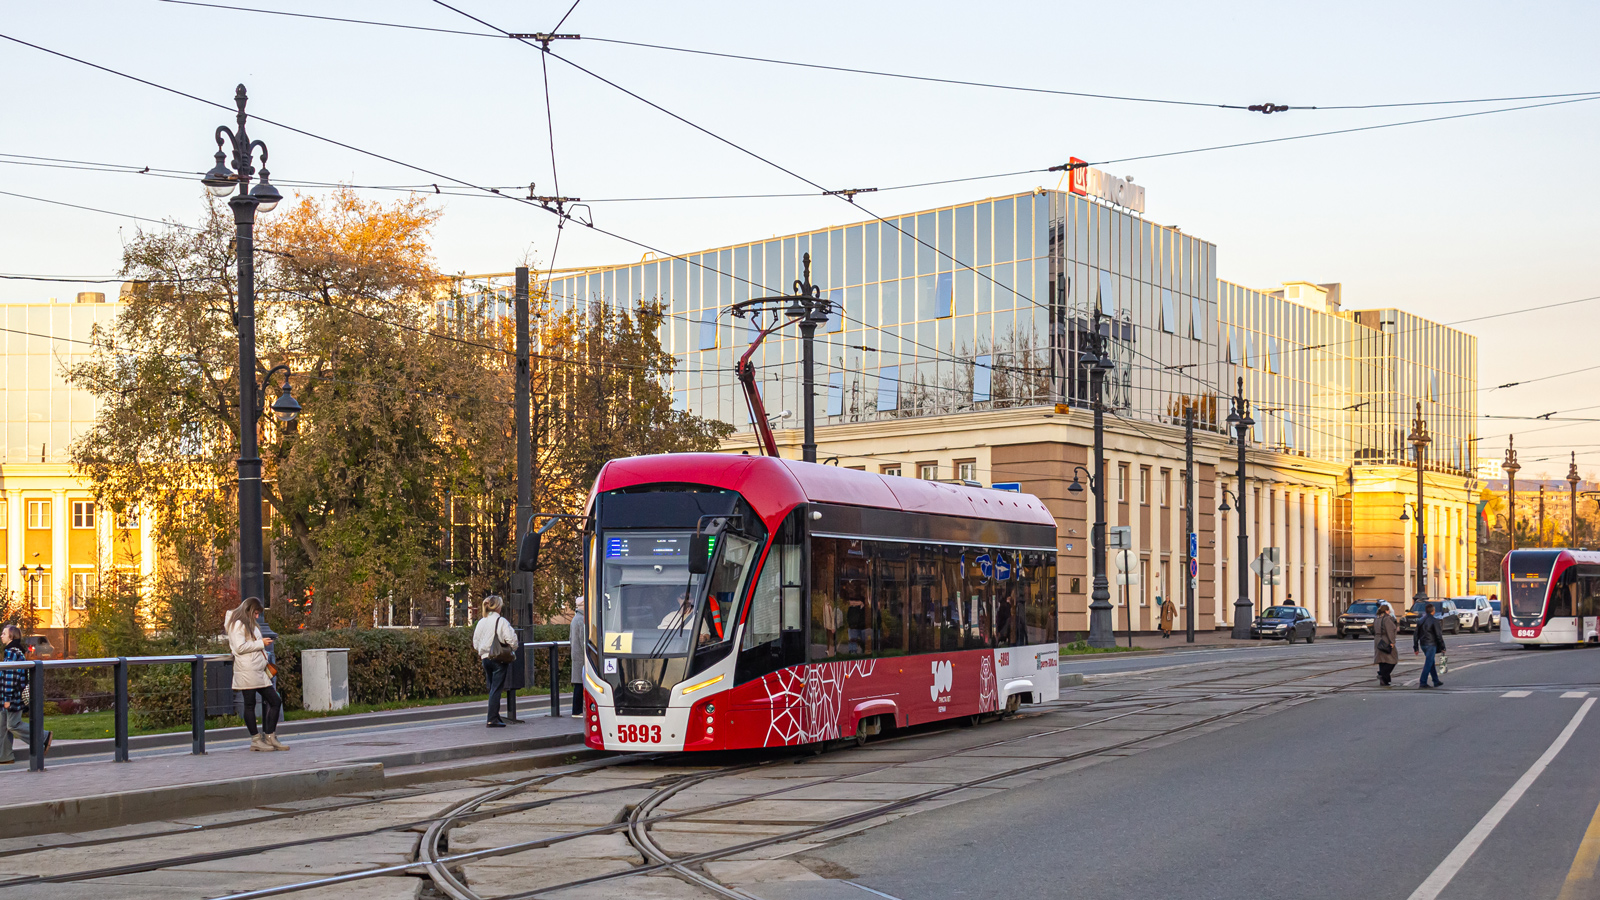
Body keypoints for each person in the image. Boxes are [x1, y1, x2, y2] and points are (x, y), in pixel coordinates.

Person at [226, 597, 286, 751]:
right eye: (256, 613)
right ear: (249, 611)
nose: (257, 616)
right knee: (253, 703)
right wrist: (261, 643)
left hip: (256, 668)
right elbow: (239, 647)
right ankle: (259, 739)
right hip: (248, 669)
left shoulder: (246, 623)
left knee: (271, 701)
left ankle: (267, 736)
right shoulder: (238, 624)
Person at [0, 624, 50, 764]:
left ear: (11, 636)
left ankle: (43, 737)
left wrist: (7, 699)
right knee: (3, 727)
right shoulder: (15, 651)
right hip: (8, 695)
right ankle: (5, 757)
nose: (1, 636)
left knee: (12, 725)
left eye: (4, 633)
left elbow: (10, 678)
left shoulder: (12, 652)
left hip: (11, 697)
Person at [473, 595, 518, 727]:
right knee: (496, 689)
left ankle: (495, 716)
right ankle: (492, 718)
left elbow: (475, 642)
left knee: (492, 687)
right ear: (498, 606)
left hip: (485, 658)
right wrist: (513, 648)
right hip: (498, 658)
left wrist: (482, 651)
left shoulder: (482, 621)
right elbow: (512, 639)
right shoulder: (501, 621)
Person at [1413, 601, 1446, 688]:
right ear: (1433, 611)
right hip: (1431, 644)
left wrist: (1416, 647)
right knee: (1428, 663)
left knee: (1431, 662)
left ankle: (1435, 680)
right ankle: (1423, 682)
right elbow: (1438, 635)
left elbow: (1416, 634)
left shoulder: (1421, 620)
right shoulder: (1434, 621)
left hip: (1423, 644)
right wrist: (1443, 647)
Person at [1373, 601, 1399, 687]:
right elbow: (1390, 631)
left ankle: (1384, 680)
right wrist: (1392, 642)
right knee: (1393, 659)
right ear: (1386, 611)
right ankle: (1382, 674)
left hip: (1378, 640)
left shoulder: (1377, 618)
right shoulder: (1387, 618)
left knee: (1382, 660)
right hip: (1385, 640)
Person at [569, 598, 585, 717]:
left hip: (576, 654)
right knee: (580, 683)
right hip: (581, 656)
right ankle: (577, 710)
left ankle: (577, 709)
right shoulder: (581, 620)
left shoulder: (575, 619)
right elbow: (583, 640)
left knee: (578, 682)